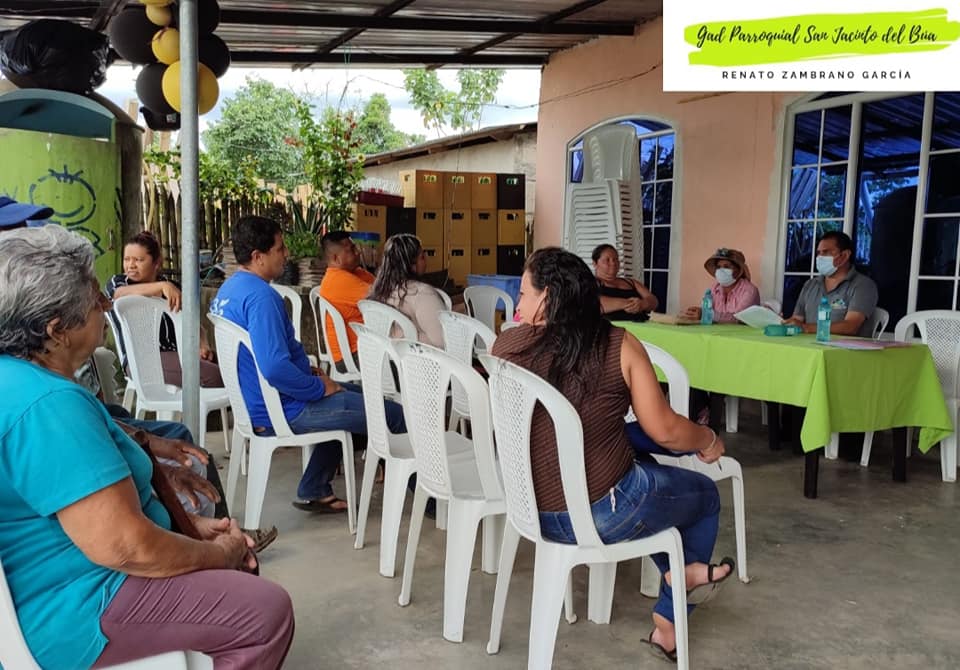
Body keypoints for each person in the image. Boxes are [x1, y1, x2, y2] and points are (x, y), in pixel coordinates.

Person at [0, 225, 293, 669]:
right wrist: (216, 554)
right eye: (94, 299)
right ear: (57, 330)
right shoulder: (48, 405)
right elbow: (125, 546)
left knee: (239, 572)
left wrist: (188, 525)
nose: (105, 305)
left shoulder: (22, 380)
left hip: (67, 579)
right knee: (264, 612)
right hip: (77, 603)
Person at [491, 247, 733, 662]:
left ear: (547, 299)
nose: (518, 302)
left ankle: (680, 574)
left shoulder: (506, 346)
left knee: (646, 464)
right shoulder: (618, 344)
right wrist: (709, 439)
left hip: (529, 508)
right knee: (704, 495)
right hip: (601, 512)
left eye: (524, 293)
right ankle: (670, 619)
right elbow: (665, 430)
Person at [211, 215, 406, 513]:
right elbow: (274, 368)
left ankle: (314, 488)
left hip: (257, 404)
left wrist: (310, 375)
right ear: (258, 257)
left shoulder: (230, 289)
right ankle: (425, 498)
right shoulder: (262, 297)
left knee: (354, 394)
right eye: (280, 248)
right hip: (284, 409)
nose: (286, 254)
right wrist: (318, 388)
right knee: (394, 413)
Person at [106, 230, 223, 387]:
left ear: (156, 263)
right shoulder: (119, 282)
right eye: (127, 259)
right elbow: (118, 295)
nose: (131, 265)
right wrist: (161, 286)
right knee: (217, 377)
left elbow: (193, 322)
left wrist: (202, 345)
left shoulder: (173, 288)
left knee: (234, 370)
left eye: (139, 260)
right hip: (142, 361)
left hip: (178, 354)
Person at [784, 231, 878, 337]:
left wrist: (806, 328)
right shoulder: (810, 285)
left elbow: (851, 326)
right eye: (818, 253)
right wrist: (781, 321)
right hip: (808, 345)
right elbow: (797, 319)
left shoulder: (863, 285)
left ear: (844, 255)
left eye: (826, 252)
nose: (820, 257)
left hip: (846, 347)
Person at [368, 233, 446, 347]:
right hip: (417, 357)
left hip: (386, 356)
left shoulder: (379, 291)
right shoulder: (423, 294)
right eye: (422, 257)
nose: (426, 260)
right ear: (411, 265)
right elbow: (443, 342)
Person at [318, 230, 375, 367]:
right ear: (336, 258)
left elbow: (385, 289)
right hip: (350, 355)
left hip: (365, 347)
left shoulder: (357, 272)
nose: (358, 252)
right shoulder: (338, 280)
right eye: (351, 249)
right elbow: (385, 299)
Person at [681, 248, 761, 323]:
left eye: (726, 266)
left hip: (743, 333)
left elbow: (739, 318)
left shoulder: (749, 290)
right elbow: (706, 311)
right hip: (716, 333)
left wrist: (708, 315)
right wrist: (696, 313)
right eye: (718, 267)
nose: (721, 270)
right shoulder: (713, 289)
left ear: (738, 270)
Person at [592, 243, 658, 320]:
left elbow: (653, 301)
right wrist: (628, 304)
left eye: (615, 259)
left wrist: (643, 304)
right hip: (611, 326)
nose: (613, 263)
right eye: (607, 260)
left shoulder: (631, 282)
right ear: (595, 264)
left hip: (642, 324)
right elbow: (592, 304)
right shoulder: (590, 282)